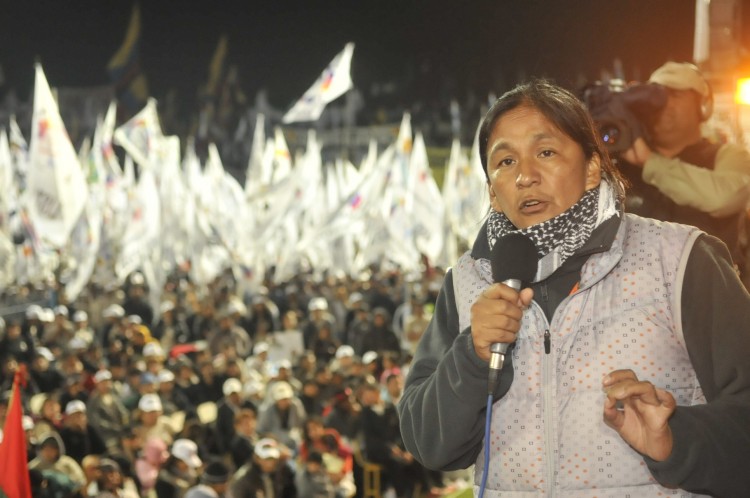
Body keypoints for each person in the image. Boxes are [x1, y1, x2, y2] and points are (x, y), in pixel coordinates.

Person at [398, 79, 750, 497]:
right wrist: (472, 356)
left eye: (545, 152)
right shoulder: (467, 282)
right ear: (493, 192)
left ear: (591, 169)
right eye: (505, 161)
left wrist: (676, 438)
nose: (526, 176)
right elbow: (427, 444)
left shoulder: (679, 259)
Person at [619, 61, 750, 281]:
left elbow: (723, 198)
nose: (661, 104)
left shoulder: (729, 155)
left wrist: (649, 162)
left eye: (674, 95)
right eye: (654, 97)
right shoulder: (622, 159)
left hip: (709, 297)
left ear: (703, 106)